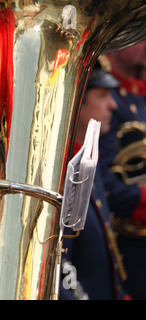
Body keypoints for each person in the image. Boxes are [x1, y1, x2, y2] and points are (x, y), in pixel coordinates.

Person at [60, 59, 129, 299]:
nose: (112, 105)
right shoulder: (60, 172)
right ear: (77, 100)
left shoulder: (88, 159)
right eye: (102, 95)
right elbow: (59, 267)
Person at [98, 41, 146, 300]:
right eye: (140, 34)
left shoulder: (137, 94)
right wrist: (142, 199)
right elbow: (100, 179)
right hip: (125, 241)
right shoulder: (104, 97)